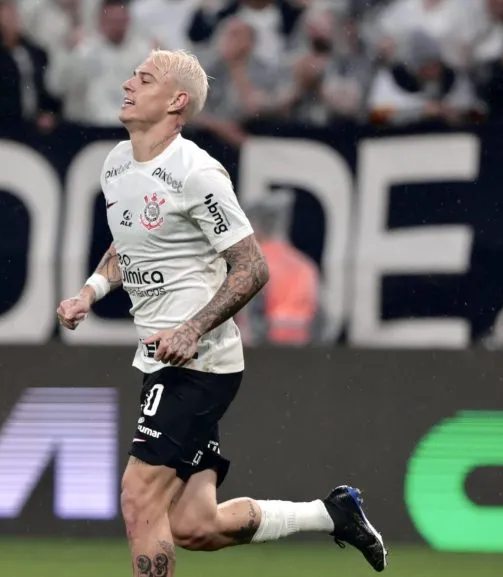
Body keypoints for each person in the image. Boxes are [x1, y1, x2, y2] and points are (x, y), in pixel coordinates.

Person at [55, 48, 387, 576]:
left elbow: (252, 266)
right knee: (195, 526)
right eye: (133, 76)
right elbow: (128, 243)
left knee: (139, 496)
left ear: (177, 102)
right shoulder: (116, 162)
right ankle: (332, 514)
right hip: (161, 358)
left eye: (144, 79)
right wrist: (90, 292)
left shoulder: (197, 173)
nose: (127, 85)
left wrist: (192, 329)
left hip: (199, 363)